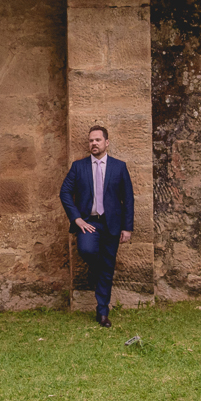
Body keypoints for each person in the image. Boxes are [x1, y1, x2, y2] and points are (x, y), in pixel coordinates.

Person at [59, 125, 134, 328]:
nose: (94, 143)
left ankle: (102, 312)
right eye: (91, 140)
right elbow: (64, 193)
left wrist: (127, 228)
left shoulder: (119, 167)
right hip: (89, 223)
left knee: (108, 267)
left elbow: (128, 199)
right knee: (87, 250)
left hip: (112, 225)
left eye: (98, 140)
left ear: (106, 143)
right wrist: (77, 219)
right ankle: (97, 270)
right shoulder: (78, 166)